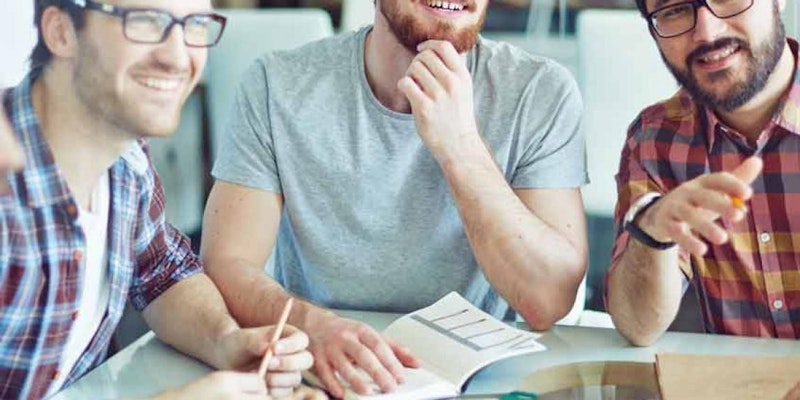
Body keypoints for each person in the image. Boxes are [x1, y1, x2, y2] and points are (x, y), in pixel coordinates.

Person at [200, 0, 589, 396]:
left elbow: (549, 299)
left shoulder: (540, 91)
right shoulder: (276, 85)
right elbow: (226, 263)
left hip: (488, 385)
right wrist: (310, 326)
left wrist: (460, 146)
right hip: (327, 377)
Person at [0, 0, 316, 398]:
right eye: (146, 21)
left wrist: (225, 341)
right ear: (62, 31)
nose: (177, 56)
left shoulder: (126, 158)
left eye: (196, 24)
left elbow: (161, 273)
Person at [606, 0, 800, 345]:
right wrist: (653, 232)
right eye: (674, 10)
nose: (707, 33)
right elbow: (637, 326)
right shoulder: (655, 139)